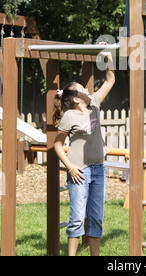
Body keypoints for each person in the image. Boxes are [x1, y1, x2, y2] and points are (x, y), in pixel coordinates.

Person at [53, 54, 115, 256]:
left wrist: (108, 58)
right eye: (83, 89)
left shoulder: (95, 103)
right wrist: (70, 167)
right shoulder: (69, 116)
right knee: (78, 218)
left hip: (98, 169)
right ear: (77, 98)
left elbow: (110, 79)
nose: (89, 90)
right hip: (79, 172)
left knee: (96, 217)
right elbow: (58, 144)